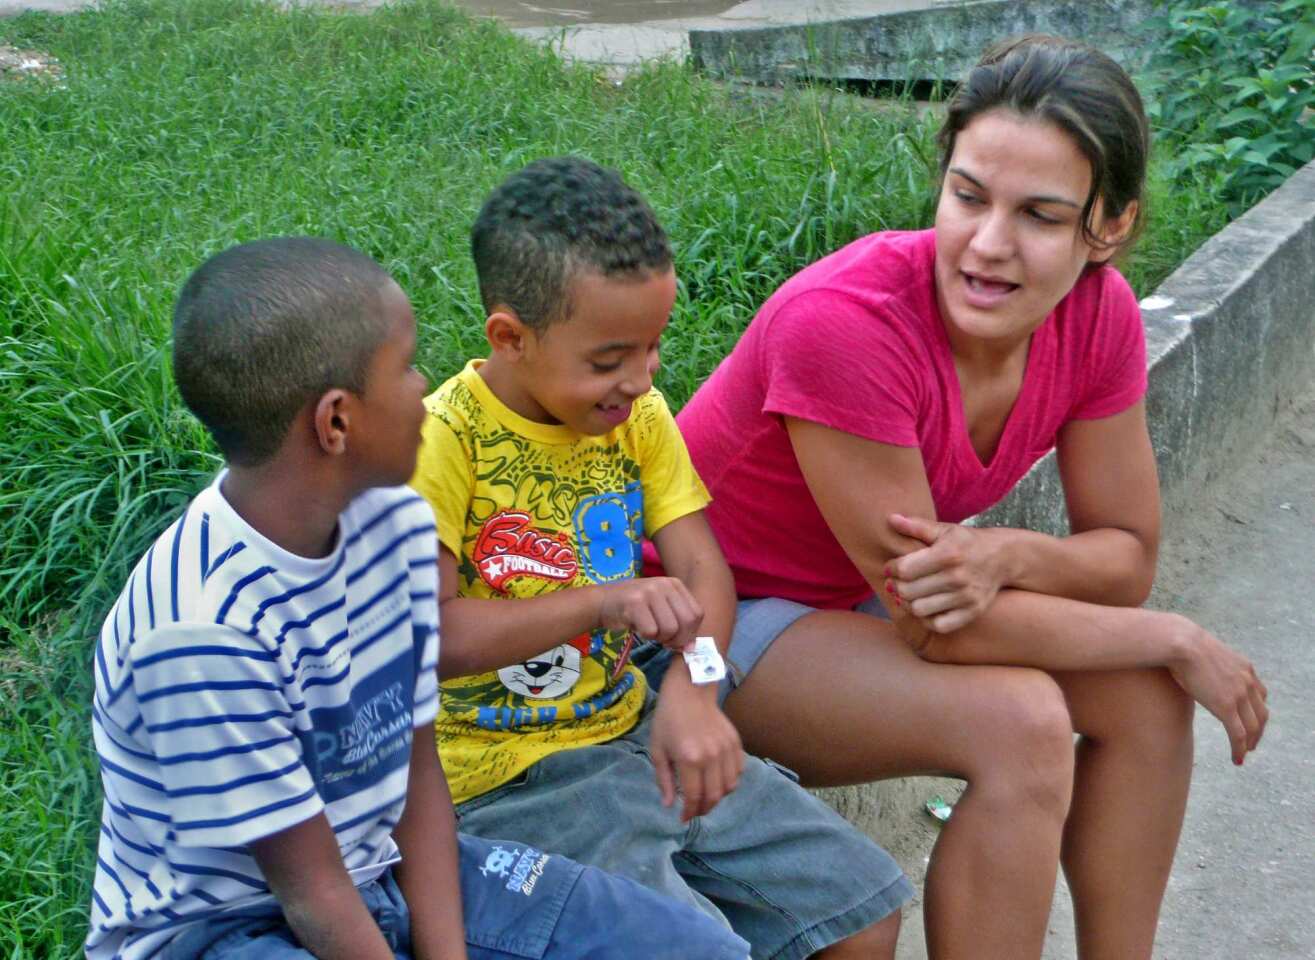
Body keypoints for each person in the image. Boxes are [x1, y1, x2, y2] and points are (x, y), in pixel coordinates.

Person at [656, 35, 1270, 960]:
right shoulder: (846, 326)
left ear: (1108, 228)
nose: (988, 246)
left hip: (848, 605)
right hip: (700, 623)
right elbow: (938, 624)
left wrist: (1014, 554)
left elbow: (1126, 556)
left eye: (1040, 216)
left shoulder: (1094, 316)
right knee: (1021, 719)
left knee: (1142, 697)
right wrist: (1180, 637)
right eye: (968, 197)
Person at [84, 236, 754, 960]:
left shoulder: (389, 524)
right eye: (403, 368)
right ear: (335, 421)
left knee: (690, 948)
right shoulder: (203, 631)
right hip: (227, 928)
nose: (424, 383)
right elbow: (311, 893)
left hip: (379, 868)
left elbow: (416, 777)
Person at [408, 156, 911, 960]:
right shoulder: (443, 440)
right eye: (609, 359)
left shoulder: (636, 417)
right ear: (510, 335)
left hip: (633, 726)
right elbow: (426, 638)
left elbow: (704, 570)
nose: (641, 380)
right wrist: (600, 603)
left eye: (653, 348)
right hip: (503, 780)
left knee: (860, 909)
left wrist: (694, 688)